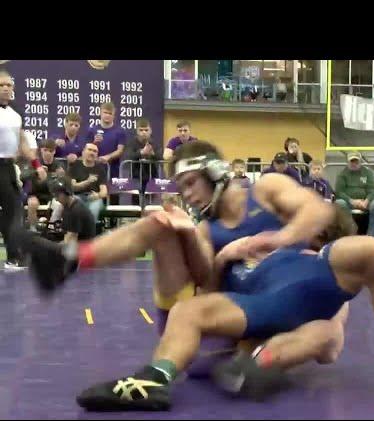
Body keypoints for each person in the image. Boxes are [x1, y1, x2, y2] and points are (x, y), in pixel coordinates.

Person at [14, 140, 350, 387]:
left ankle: (256, 363)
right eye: (181, 187)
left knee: (329, 331)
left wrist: (276, 241)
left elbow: (316, 211)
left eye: (190, 184)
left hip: (261, 327)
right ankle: (67, 259)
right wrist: (214, 251)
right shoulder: (207, 229)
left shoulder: (267, 190)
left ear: (216, 172)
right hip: (213, 323)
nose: (187, 195)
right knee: (164, 223)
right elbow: (209, 286)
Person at [74, 218, 374, 411]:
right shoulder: (232, 259)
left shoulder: (307, 254)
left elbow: (330, 341)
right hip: (255, 306)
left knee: (371, 251)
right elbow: (207, 287)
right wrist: (226, 256)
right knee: (188, 310)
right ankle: (154, 379)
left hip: (308, 288)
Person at [0, 69, 46, 270]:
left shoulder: (16, 114)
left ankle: (13, 257)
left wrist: (37, 165)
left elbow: (23, 144)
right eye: (1, 85)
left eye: (8, 85)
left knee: (14, 210)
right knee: (11, 211)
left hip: (9, 167)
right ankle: (13, 256)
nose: (5, 89)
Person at [334, 152, 374, 236]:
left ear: (360, 162)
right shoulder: (342, 174)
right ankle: (349, 233)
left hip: (365, 201)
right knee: (339, 203)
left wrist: (366, 201)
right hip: (348, 202)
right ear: (348, 162)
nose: (354, 164)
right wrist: (351, 201)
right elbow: (339, 191)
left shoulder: (368, 173)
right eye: (352, 161)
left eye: (356, 161)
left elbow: (373, 190)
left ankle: (371, 236)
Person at [49, 176, 96, 242]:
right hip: (76, 243)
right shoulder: (67, 206)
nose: (56, 199)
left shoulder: (76, 210)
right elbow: (67, 234)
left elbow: (71, 239)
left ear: (67, 193)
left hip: (84, 247)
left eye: (57, 195)